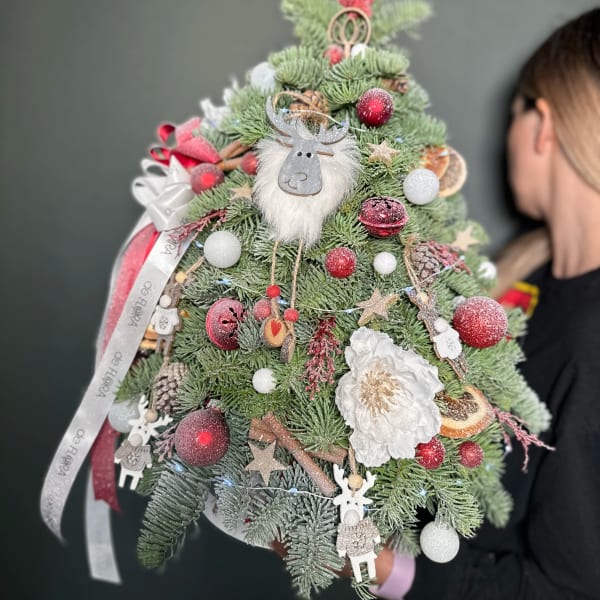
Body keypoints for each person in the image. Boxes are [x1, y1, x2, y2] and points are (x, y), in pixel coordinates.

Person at [372, 8, 600, 599]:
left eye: (514, 112)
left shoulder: (592, 340)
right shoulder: (524, 276)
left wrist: (380, 565)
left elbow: (570, 590)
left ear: (543, 124)